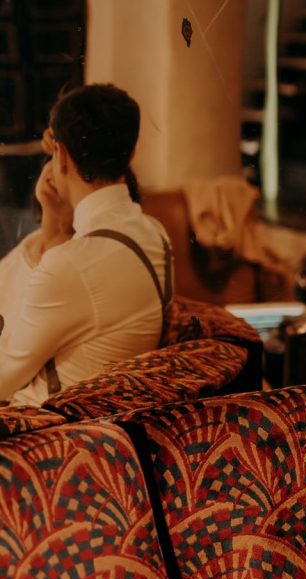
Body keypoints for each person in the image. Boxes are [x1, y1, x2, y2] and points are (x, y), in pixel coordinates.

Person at [0, 84, 172, 405]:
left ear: (61, 155)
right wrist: (54, 218)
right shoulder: (155, 235)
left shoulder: (71, 264)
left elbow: (3, 377)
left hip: (44, 431)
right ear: (130, 154)